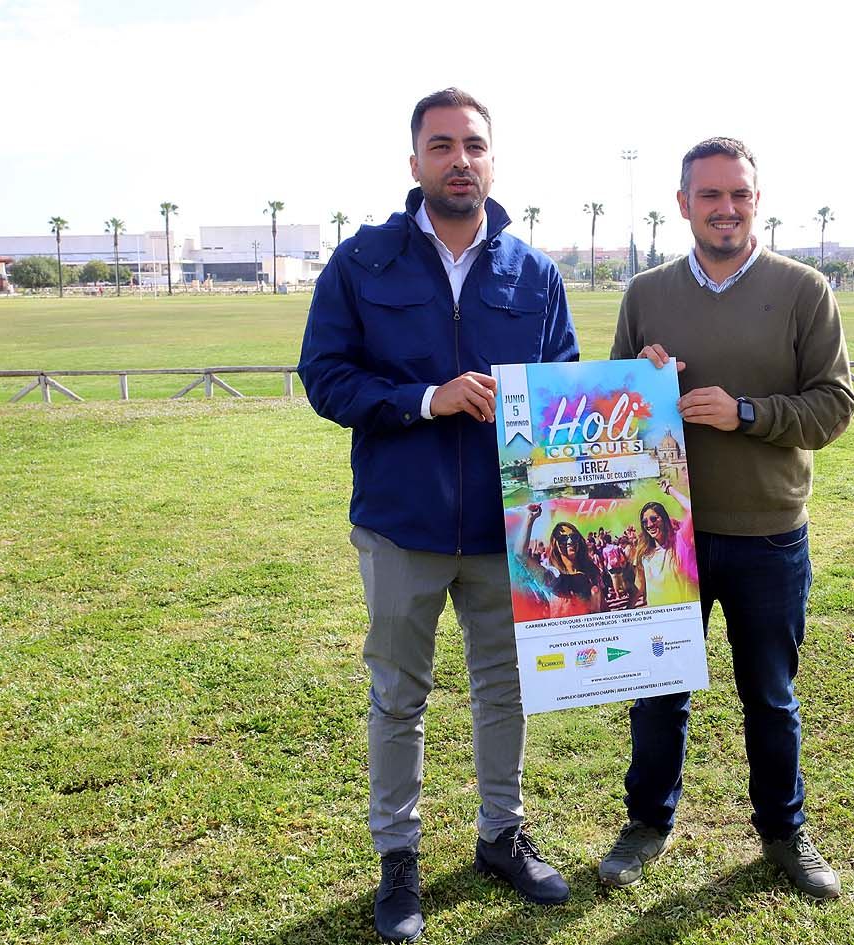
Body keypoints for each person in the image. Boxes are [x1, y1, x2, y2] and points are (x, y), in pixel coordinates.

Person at [298, 88, 578, 942]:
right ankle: (398, 862)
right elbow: (326, 378)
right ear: (414, 159)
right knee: (398, 697)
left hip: (506, 531)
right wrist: (426, 399)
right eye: (442, 144)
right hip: (400, 524)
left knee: (507, 688)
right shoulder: (363, 262)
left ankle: (501, 835)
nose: (461, 158)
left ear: (494, 160)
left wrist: (627, 385)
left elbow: (561, 386)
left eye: (475, 145)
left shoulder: (533, 273)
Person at [601, 137, 854, 899]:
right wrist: (639, 381)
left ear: (756, 199)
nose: (726, 208)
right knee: (658, 692)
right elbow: (612, 409)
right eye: (709, 195)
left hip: (769, 533)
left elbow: (835, 404)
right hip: (667, 532)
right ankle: (647, 822)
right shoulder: (647, 292)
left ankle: (784, 832)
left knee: (770, 695)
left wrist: (745, 412)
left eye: (738, 193)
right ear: (682, 204)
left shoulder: (805, 289)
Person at [518, 506, 604, 617]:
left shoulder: (592, 572)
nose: (569, 541)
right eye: (563, 539)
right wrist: (530, 518)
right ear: (555, 545)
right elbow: (520, 554)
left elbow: (602, 608)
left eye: (573, 537)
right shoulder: (554, 578)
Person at [631, 479, 698, 607]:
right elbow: (639, 586)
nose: (649, 525)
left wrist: (669, 489)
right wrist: (627, 610)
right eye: (645, 522)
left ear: (664, 519)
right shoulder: (644, 553)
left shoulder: (680, 542)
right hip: (658, 617)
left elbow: (692, 510)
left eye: (654, 519)